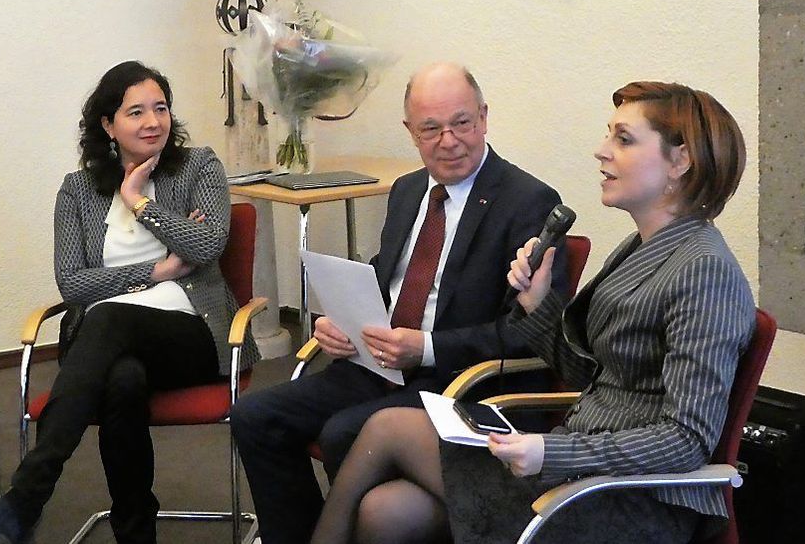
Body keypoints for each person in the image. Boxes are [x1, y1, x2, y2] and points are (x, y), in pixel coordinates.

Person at [310, 81, 756, 544]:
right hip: (580, 469)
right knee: (387, 510)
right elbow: (592, 376)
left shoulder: (704, 271)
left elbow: (685, 439)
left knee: (387, 427)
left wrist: (552, 452)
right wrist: (538, 303)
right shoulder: (642, 247)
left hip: (632, 501)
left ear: (680, 161)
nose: (601, 152)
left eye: (623, 139)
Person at [230, 62, 567, 544]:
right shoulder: (409, 190)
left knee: (344, 430)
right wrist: (341, 321)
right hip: (377, 363)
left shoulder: (528, 200)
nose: (449, 140)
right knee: (256, 415)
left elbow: (524, 332)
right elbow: (390, 275)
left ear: (485, 118)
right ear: (411, 132)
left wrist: (426, 348)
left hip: (463, 379)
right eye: (431, 128)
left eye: (462, 123)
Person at [0, 61, 259, 544]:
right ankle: (135, 530)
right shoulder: (77, 190)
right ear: (107, 125)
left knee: (111, 316)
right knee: (123, 380)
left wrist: (138, 200)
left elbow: (206, 247)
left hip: (192, 335)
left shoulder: (199, 166)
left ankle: (26, 498)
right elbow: (72, 284)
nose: (152, 122)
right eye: (135, 112)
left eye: (160, 109)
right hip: (112, 345)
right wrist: (158, 270)